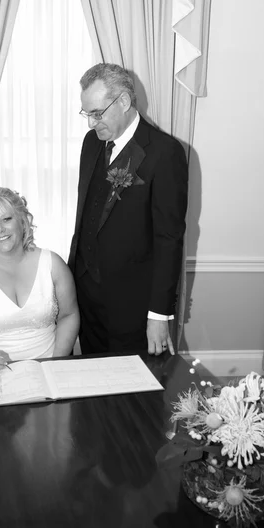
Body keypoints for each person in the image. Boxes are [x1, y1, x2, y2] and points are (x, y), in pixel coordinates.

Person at [68, 63, 188, 357]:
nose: (91, 124)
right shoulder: (91, 143)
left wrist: (159, 316)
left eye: (97, 113)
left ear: (123, 101)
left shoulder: (165, 152)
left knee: (135, 397)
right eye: (87, 114)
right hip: (86, 299)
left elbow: (168, 239)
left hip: (133, 309)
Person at [0, 186, 79, 372]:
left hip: (51, 370)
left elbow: (69, 315)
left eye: (6, 219)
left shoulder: (53, 264)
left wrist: (56, 362)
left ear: (22, 220)